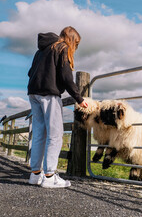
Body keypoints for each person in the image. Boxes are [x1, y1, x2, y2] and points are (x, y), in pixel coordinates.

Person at [27, 26, 88, 188]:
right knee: (55, 135)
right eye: (76, 43)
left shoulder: (41, 50)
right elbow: (67, 78)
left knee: (40, 134)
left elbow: (30, 72)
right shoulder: (62, 48)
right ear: (71, 39)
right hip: (49, 94)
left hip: (33, 93)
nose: (76, 47)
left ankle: (35, 175)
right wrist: (79, 99)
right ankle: (49, 176)